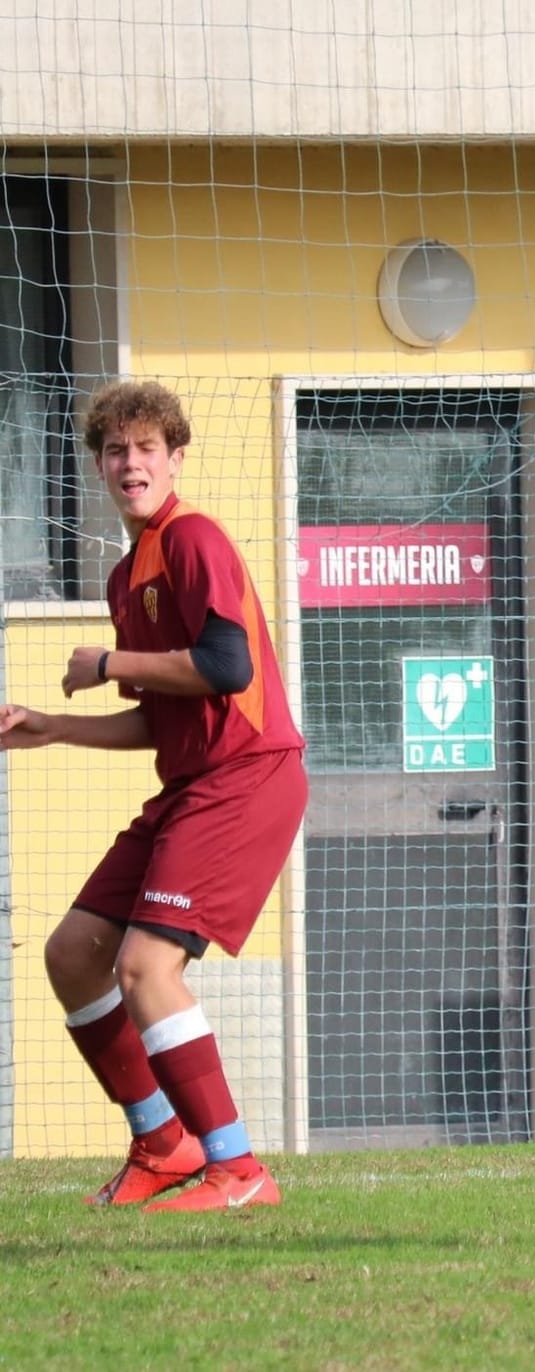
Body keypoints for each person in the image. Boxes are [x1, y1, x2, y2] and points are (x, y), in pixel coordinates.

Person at [1, 381, 306, 1211]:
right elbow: (163, 721)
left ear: (175, 457)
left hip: (249, 778)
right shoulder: (122, 575)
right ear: (99, 465)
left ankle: (240, 1171)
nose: (129, 462)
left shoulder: (193, 537)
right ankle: (162, 1144)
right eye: (114, 450)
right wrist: (55, 726)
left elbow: (227, 667)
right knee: (71, 953)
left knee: (144, 966)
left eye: (145, 448)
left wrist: (110, 665)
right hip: (191, 784)